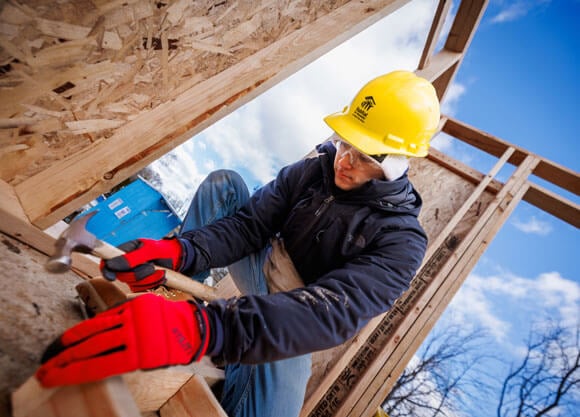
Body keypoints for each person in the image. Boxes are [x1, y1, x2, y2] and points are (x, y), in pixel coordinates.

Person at [36, 70, 440, 417]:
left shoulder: (401, 241)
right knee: (224, 185)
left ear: (396, 162)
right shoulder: (312, 171)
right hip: (263, 263)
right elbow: (249, 226)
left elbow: (331, 314)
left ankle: (198, 333)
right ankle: (170, 298)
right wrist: (183, 251)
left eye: (364, 153)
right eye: (344, 140)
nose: (345, 159)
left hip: (301, 311)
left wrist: (213, 329)